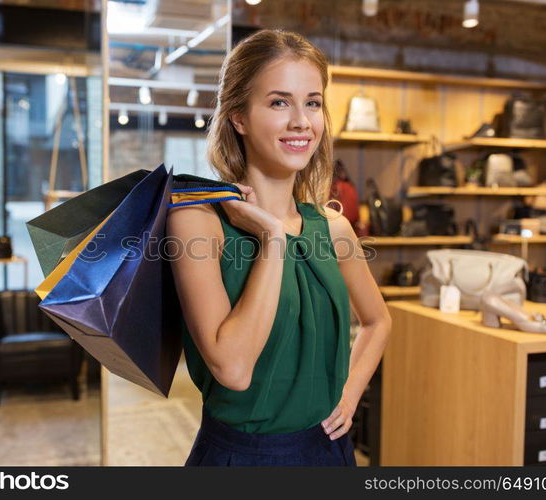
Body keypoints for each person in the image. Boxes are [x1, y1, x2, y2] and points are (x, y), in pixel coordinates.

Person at [166, 29, 391, 467]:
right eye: (278, 102)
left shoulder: (333, 228)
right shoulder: (197, 222)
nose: (301, 122)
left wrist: (347, 395)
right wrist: (271, 237)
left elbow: (379, 321)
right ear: (238, 118)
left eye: (312, 102)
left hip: (328, 452)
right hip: (242, 458)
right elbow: (233, 369)